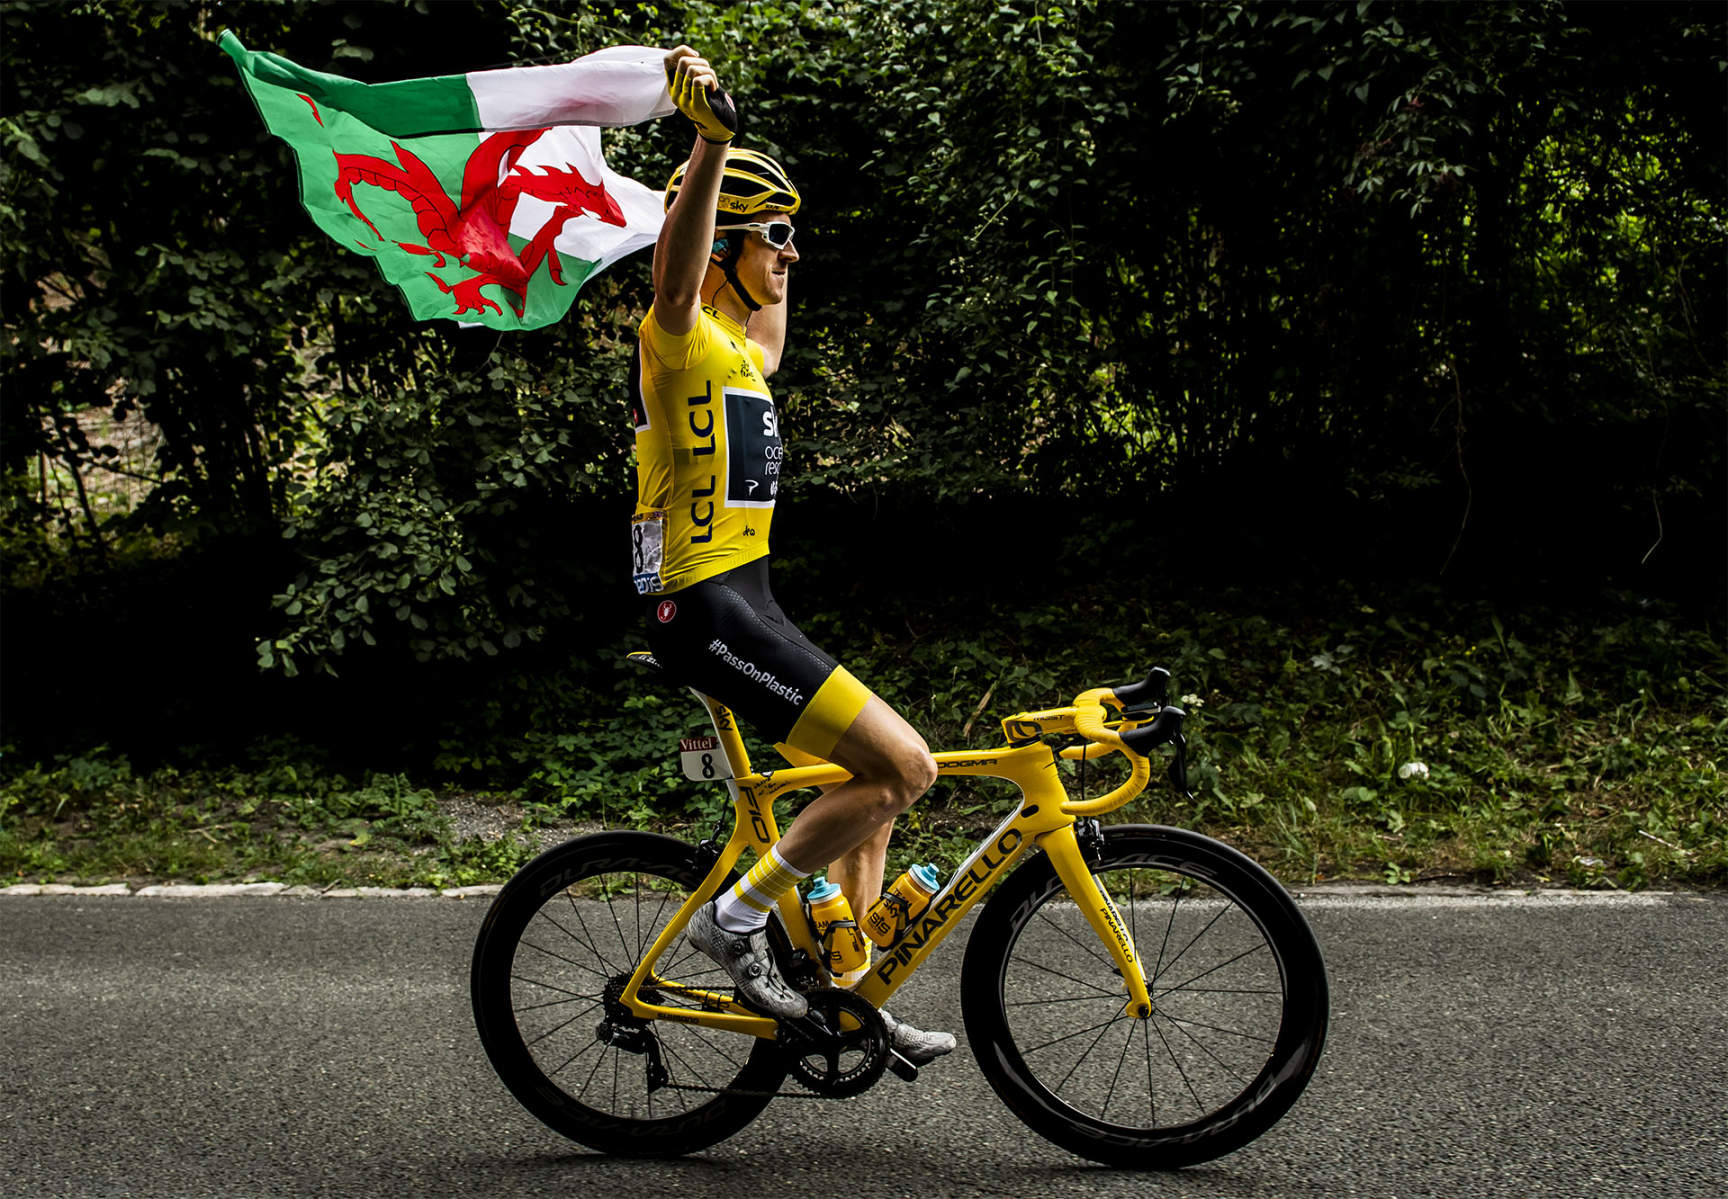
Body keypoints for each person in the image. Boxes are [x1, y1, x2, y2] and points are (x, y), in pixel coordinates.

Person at [629, 47, 952, 1065]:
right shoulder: (676, 334)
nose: (791, 254)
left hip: (749, 601)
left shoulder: (746, 354)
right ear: (722, 245)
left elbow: (759, 301)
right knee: (905, 766)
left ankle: (846, 996)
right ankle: (736, 921)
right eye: (775, 239)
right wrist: (707, 148)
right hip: (702, 605)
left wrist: (750, 187)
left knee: (869, 805)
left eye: (794, 237)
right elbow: (678, 266)